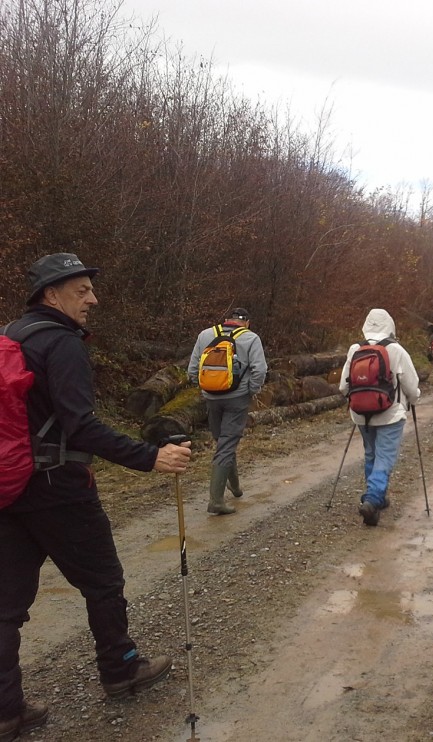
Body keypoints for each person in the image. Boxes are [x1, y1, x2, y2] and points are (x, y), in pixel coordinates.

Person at [0, 253, 192, 738]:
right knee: (103, 582)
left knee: (4, 606)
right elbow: (80, 425)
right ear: (52, 295)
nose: (93, 299)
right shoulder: (60, 344)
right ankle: (122, 669)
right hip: (60, 489)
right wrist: (150, 457)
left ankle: (6, 710)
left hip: (8, 485)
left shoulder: (11, 336)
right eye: (82, 290)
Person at [339, 309, 421, 526]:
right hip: (390, 414)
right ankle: (373, 498)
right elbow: (411, 386)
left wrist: (357, 399)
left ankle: (376, 497)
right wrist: (413, 400)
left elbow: (343, 386)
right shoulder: (396, 349)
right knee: (385, 456)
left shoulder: (355, 349)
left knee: (371, 454)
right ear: (390, 325)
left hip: (360, 414)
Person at [187, 307, 268, 515]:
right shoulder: (251, 338)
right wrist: (250, 391)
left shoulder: (206, 334)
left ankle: (236, 487)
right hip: (237, 399)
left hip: (211, 398)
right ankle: (216, 501)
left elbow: (193, 368)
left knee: (223, 441)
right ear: (247, 323)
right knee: (226, 444)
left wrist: (205, 388)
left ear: (226, 321)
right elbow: (260, 369)